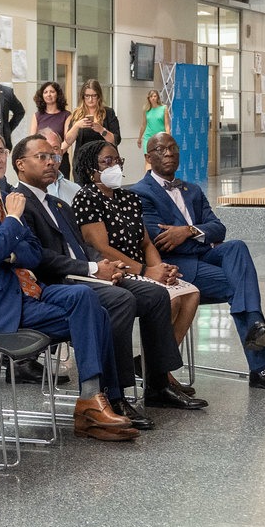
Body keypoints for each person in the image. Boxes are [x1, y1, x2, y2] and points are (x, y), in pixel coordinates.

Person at [0, 129, 138, 443]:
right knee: (93, 311)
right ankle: (95, 405)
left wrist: (4, 243)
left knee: (86, 300)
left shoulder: (8, 194)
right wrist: (13, 222)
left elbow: (32, 254)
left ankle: (95, 399)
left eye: (0, 151)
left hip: (27, 292)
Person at [10, 133, 184, 430]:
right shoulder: (19, 204)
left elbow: (83, 245)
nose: (51, 162)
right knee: (121, 301)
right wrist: (92, 268)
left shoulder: (57, 204)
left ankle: (157, 385)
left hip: (86, 272)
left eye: (52, 156)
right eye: (41, 157)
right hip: (58, 283)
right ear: (20, 165)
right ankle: (116, 394)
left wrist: (107, 266)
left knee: (155, 296)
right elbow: (39, 258)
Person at [131, 133, 265, 393]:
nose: (168, 153)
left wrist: (186, 231)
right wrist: (198, 237)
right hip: (175, 267)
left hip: (204, 258)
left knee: (237, 246)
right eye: (161, 149)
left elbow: (219, 229)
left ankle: (257, 337)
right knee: (239, 286)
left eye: (173, 148)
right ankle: (261, 363)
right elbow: (161, 241)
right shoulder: (140, 193)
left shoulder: (193, 190)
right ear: (147, 157)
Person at [70, 138, 207, 411]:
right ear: (90, 170)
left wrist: (161, 269)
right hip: (114, 270)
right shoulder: (87, 197)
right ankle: (158, 378)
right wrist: (146, 271)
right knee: (169, 299)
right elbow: (100, 247)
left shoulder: (129, 197)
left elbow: (145, 242)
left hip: (144, 267)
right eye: (107, 162)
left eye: (117, 161)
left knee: (190, 294)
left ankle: (153, 370)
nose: (115, 166)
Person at [67, 78, 122, 151]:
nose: (90, 99)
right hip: (82, 158)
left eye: (94, 96)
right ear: (83, 97)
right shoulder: (77, 114)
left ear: (99, 96)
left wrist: (102, 130)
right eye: (87, 96)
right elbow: (68, 141)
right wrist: (76, 126)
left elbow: (116, 140)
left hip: (104, 158)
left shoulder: (108, 112)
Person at [32, 80, 71, 172]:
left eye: (52, 92)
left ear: (58, 94)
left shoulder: (67, 115)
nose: (49, 94)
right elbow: (32, 140)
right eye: (45, 92)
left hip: (60, 158)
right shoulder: (37, 116)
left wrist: (56, 155)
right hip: (41, 159)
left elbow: (68, 140)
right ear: (42, 96)